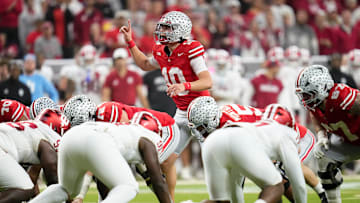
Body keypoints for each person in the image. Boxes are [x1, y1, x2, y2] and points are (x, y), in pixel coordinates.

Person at [121, 11, 212, 189]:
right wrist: (131, 43)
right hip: (182, 112)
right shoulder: (162, 51)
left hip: (202, 111)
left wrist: (184, 86)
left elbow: (207, 81)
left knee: (214, 159)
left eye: (167, 27)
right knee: (165, 162)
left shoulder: (191, 49)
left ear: (180, 31)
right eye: (162, 27)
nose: (162, 31)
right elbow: (145, 64)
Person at [29, 113, 172, 203]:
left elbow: (102, 181)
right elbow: (158, 181)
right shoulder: (149, 138)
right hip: (96, 139)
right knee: (129, 187)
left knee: (66, 189)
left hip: (71, 136)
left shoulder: (125, 133)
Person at [187, 97, 306, 203]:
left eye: (201, 126)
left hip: (250, 138)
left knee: (278, 183)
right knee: (274, 186)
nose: (199, 131)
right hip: (244, 141)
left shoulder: (230, 122)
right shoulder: (220, 119)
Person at [295, 64, 360, 202]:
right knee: (324, 157)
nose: (305, 98)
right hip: (351, 142)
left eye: (307, 94)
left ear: (322, 87)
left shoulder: (340, 95)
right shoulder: (316, 105)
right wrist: (321, 136)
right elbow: (315, 116)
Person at [0, 109, 70, 202]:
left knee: (15, 188)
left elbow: (31, 177)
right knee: (25, 189)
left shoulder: (32, 130)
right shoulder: (50, 135)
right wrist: (62, 194)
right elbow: (52, 170)